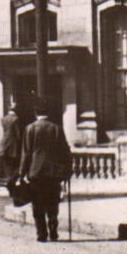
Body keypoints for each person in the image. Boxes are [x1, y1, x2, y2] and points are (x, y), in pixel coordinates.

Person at [19, 102, 73, 243]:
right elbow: (65, 151)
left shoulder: (30, 129)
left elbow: (26, 153)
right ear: (48, 113)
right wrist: (67, 170)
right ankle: (53, 230)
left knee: (37, 204)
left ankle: (41, 234)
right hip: (53, 173)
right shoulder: (56, 129)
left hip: (35, 173)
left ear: (36, 114)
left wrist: (21, 173)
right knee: (52, 203)